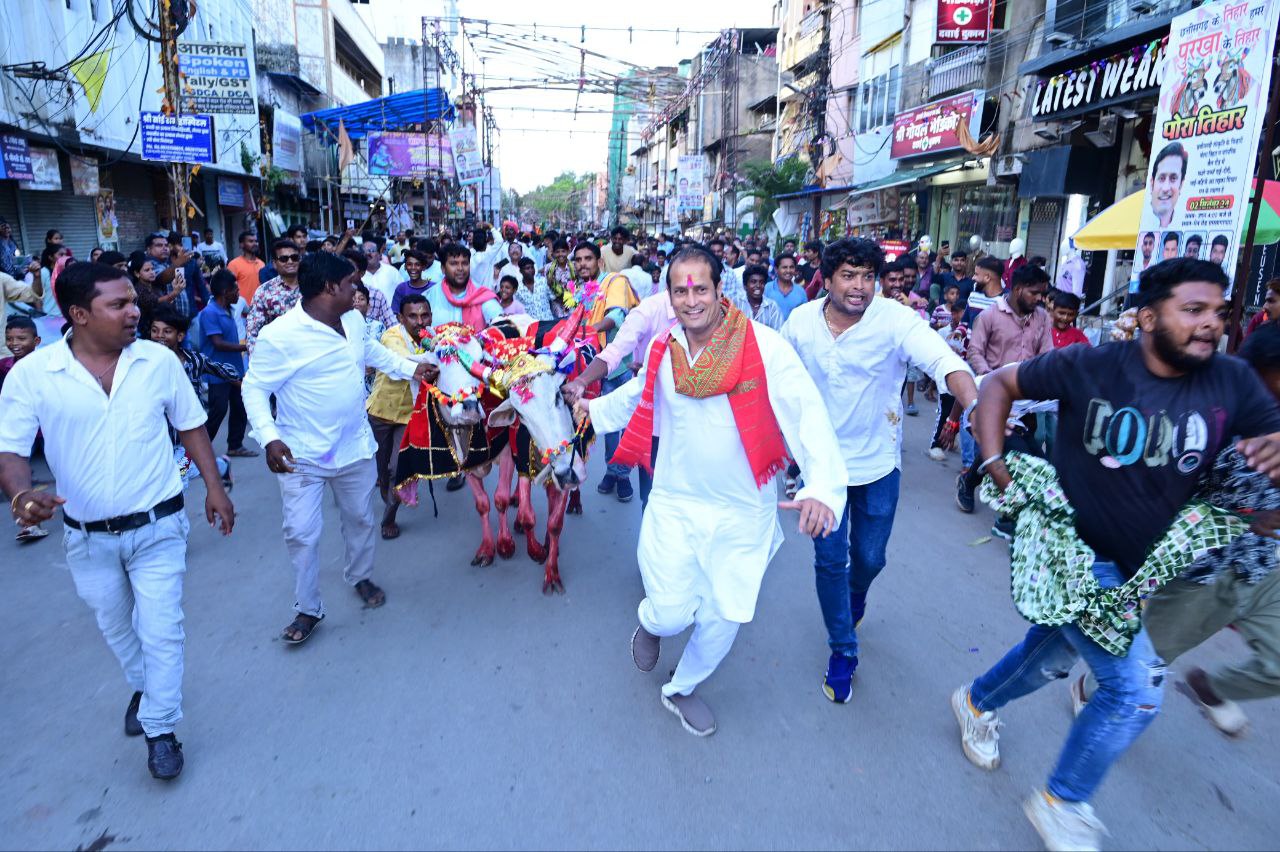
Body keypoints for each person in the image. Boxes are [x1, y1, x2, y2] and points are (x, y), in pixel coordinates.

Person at [951, 257, 1280, 851]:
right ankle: (1062, 802)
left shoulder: (1232, 379)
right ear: (1149, 318)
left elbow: (1269, 434)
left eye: (1219, 311)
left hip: (1139, 569)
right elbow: (999, 385)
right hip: (1070, 550)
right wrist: (995, 466)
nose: (1211, 323)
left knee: (1051, 656)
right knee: (1136, 690)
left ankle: (975, 702)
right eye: (1193, 310)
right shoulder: (1090, 364)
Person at [572, 246, 847, 736]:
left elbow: (805, 410)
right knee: (670, 609)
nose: (692, 300)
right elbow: (637, 395)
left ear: (720, 290)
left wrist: (823, 487)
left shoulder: (764, 346)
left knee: (726, 613)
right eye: (681, 291)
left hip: (744, 510)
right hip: (675, 503)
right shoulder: (664, 350)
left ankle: (681, 687)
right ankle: (652, 624)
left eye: (701, 288)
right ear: (669, 297)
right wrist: (591, 411)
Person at [0, 261, 235, 780]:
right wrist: (21, 495)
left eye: (133, 301)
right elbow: (10, 449)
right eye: (119, 304)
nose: (134, 312)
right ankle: (147, 688)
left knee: (161, 632)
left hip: (159, 525)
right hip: (87, 537)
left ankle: (161, 728)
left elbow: (191, 426)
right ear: (79, 314)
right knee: (117, 628)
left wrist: (215, 488)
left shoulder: (158, 361)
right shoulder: (33, 375)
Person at [782, 238, 977, 702]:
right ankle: (843, 649)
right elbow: (772, 378)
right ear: (827, 280)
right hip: (822, 469)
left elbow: (942, 360)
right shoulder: (800, 323)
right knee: (830, 560)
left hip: (877, 464)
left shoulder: (896, 320)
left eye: (868, 276)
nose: (860, 286)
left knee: (869, 559)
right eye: (848, 276)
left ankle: (856, 597)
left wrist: (975, 405)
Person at [242, 252, 437, 645]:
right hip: (301, 454)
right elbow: (254, 388)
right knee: (301, 533)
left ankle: (360, 576)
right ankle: (308, 607)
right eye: (350, 283)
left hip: (353, 448)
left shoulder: (353, 320)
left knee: (360, 520)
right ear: (330, 288)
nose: (357, 290)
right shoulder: (280, 336)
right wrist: (268, 436)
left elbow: (372, 353)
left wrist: (411, 367)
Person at [570, 241, 641, 502]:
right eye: (578, 260)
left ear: (599, 262)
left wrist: (587, 331)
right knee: (607, 423)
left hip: (620, 365)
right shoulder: (581, 290)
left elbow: (617, 317)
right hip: (594, 366)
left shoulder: (615, 282)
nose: (583, 264)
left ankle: (622, 475)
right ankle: (613, 471)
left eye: (588, 259)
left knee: (624, 423)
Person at [367, 294, 432, 540]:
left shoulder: (435, 338)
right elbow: (402, 360)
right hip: (381, 413)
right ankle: (388, 494)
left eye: (424, 315)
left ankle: (389, 516)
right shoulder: (391, 336)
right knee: (381, 470)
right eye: (412, 316)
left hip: (409, 416)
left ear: (431, 316)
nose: (419, 322)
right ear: (400, 318)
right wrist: (438, 358)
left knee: (398, 469)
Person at [198, 270, 255, 457]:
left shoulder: (228, 310)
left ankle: (235, 446)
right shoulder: (210, 313)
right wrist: (246, 347)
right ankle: (194, 455)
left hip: (234, 369)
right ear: (225, 292)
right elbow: (218, 343)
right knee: (218, 411)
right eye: (235, 290)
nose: (238, 294)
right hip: (217, 371)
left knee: (240, 406)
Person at [246, 239, 304, 353]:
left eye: (294, 257)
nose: (290, 261)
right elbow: (253, 330)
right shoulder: (264, 291)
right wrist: (257, 358)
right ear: (274, 264)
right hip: (277, 354)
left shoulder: (314, 286)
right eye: (284, 259)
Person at [929, 302, 971, 462]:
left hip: (965, 377)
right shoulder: (946, 332)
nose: (960, 317)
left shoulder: (971, 332)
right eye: (958, 313)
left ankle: (950, 440)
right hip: (949, 377)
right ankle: (936, 444)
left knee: (962, 413)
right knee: (945, 411)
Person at [1147, 141, 1188, 229]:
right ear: (1152, 183)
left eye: (1173, 178)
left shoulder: (1183, 224)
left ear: (1181, 185)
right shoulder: (1139, 218)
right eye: (1161, 178)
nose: (1166, 188)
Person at [765, 252, 807, 323]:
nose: (788, 271)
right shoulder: (767, 289)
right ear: (776, 269)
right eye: (784, 267)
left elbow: (804, 317)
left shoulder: (801, 292)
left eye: (791, 267)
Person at [963, 256, 1005, 326]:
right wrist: (958, 331)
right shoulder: (973, 296)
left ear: (987, 277)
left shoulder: (1007, 300)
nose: (973, 278)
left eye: (976, 274)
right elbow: (964, 323)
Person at [226, 230, 265, 305]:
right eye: (251, 241)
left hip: (259, 307)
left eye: (256, 241)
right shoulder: (234, 264)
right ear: (241, 245)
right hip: (241, 308)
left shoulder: (262, 264)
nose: (255, 244)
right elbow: (228, 288)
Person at [742, 264, 783, 330]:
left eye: (761, 282)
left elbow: (778, 332)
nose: (758, 285)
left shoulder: (772, 307)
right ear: (745, 286)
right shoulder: (736, 303)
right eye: (753, 282)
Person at [390, 250, 432, 314]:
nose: (413, 268)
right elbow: (395, 312)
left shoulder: (433, 288)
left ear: (423, 267)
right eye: (409, 264)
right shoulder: (401, 288)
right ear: (405, 267)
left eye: (417, 265)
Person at [362, 239, 402, 305]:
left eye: (372, 250)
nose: (368, 253)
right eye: (364, 251)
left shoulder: (392, 271)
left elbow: (402, 292)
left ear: (379, 254)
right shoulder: (358, 276)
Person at [514, 256, 554, 321]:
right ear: (521, 271)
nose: (531, 270)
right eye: (527, 268)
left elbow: (552, 297)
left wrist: (552, 285)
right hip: (531, 324)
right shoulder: (518, 289)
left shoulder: (543, 281)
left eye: (532, 267)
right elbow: (517, 307)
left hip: (547, 321)